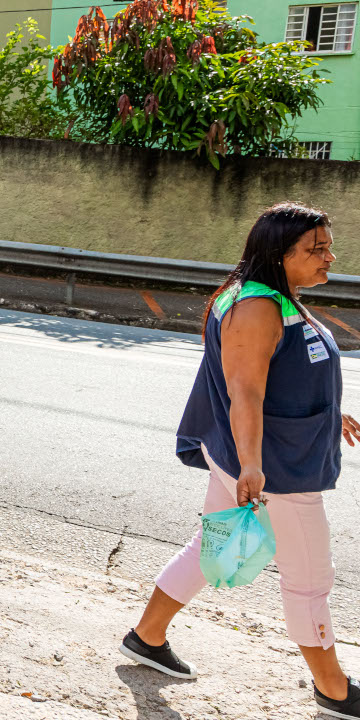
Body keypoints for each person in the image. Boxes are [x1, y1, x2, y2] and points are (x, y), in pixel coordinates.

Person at [120, 202, 360, 718]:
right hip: (275, 468)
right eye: (316, 249)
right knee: (309, 578)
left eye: (328, 245)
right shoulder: (256, 307)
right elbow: (245, 391)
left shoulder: (272, 296)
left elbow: (284, 370)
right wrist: (252, 466)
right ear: (280, 253)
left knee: (215, 545)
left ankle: (146, 636)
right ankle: (334, 690)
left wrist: (328, 410)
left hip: (258, 454)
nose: (330, 257)